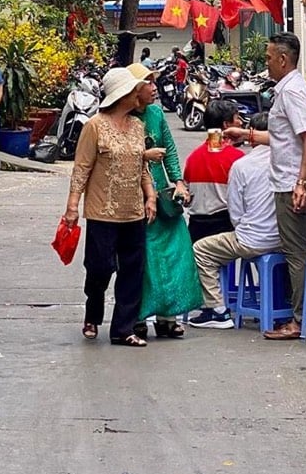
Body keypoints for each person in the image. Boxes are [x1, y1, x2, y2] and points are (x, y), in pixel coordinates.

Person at [224, 32, 306, 341]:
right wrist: (248, 135)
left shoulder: (292, 92)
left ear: (283, 59)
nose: (266, 63)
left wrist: (300, 183)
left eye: (269, 58)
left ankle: (299, 320)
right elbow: (286, 137)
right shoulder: (296, 88)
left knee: (296, 254)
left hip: (293, 184)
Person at [63, 68, 157, 347]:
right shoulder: (94, 126)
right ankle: (93, 313)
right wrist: (72, 207)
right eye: (135, 89)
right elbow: (81, 168)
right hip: (102, 211)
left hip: (133, 212)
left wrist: (150, 196)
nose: (140, 94)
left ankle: (123, 329)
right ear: (122, 94)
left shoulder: (138, 126)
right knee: (100, 268)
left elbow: (141, 166)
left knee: (132, 271)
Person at [189, 112, 281, 328]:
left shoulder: (241, 164)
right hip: (286, 239)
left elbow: (236, 214)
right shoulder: (290, 161)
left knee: (201, 249)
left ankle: (217, 310)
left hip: (251, 239)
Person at [127, 63, 196, 340]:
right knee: (144, 260)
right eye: (148, 83)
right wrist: (144, 156)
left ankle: (168, 317)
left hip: (162, 196)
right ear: (134, 89)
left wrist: (178, 181)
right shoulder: (122, 117)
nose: (154, 88)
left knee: (175, 252)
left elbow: (170, 150)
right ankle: (138, 317)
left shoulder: (155, 114)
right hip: (133, 196)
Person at [182, 100, 245, 243]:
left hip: (196, 227)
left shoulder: (193, 157)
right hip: (225, 226)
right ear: (226, 125)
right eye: (237, 118)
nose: (241, 122)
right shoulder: (237, 158)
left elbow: (187, 195)